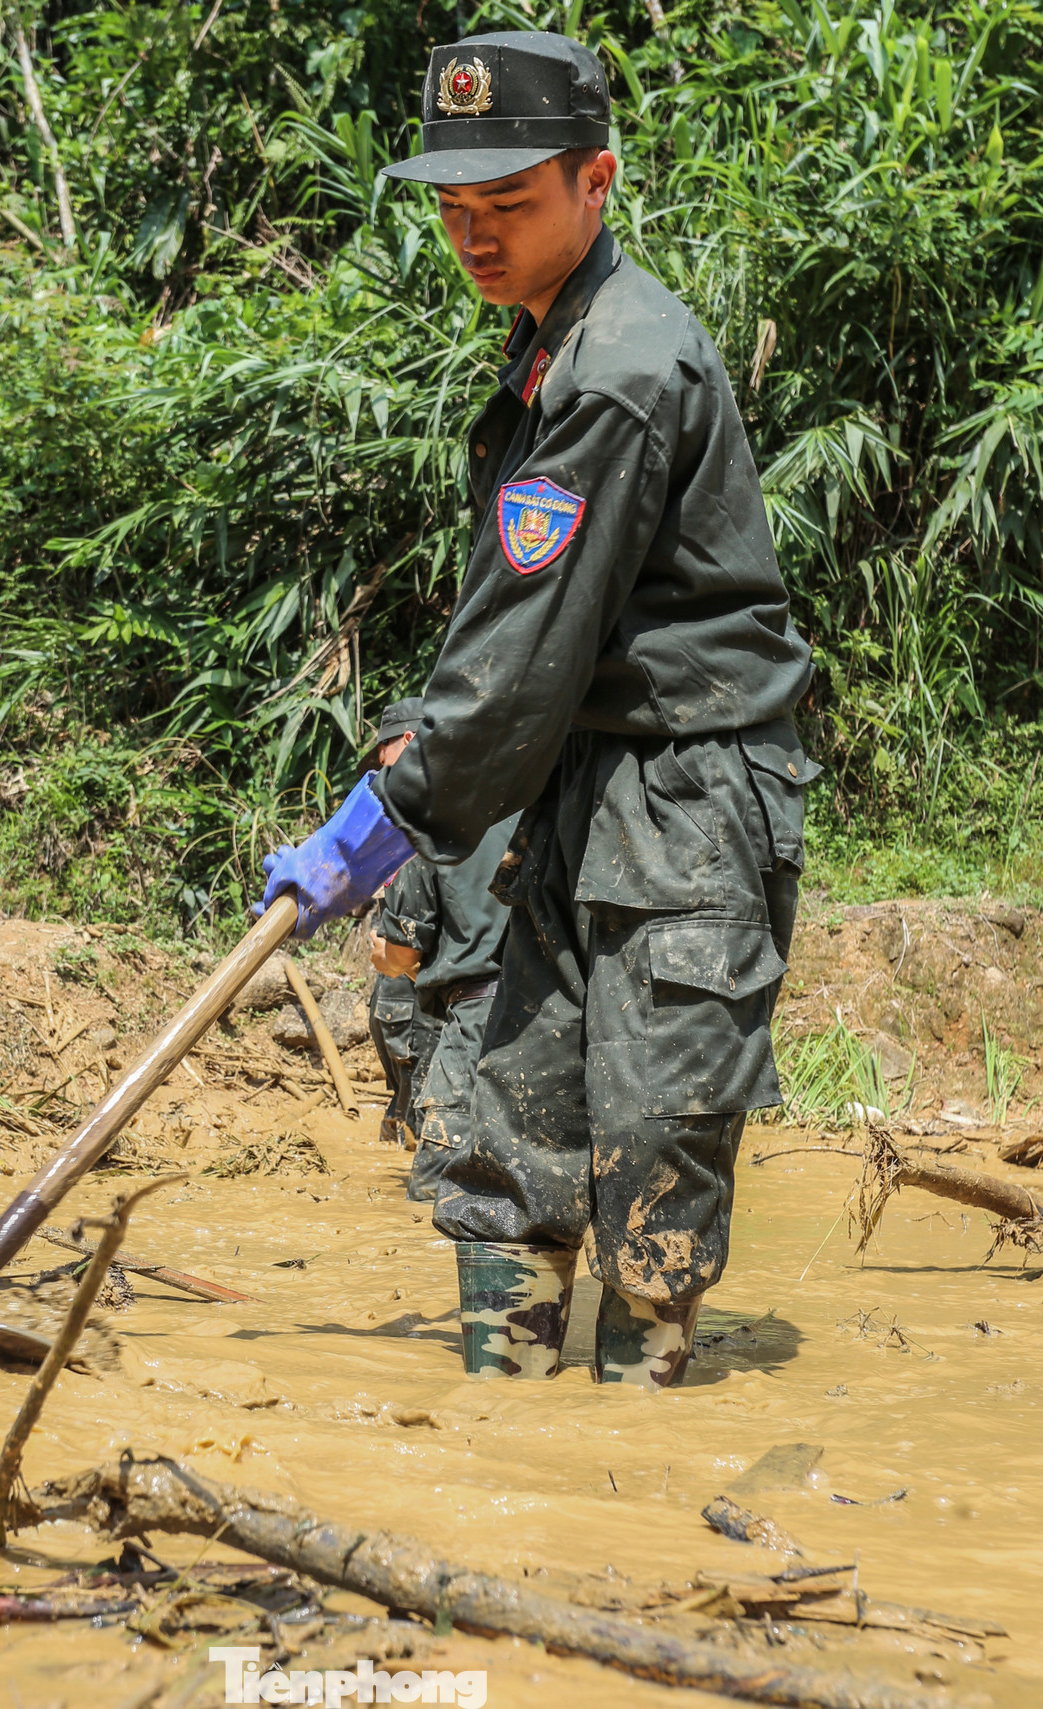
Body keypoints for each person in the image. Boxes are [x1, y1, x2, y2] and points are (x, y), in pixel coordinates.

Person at [259, 31, 815, 1389]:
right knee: (504, 1129)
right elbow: (515, 625)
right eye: (454, 211)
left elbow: (522, 647)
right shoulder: (549, 354)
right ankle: (503, 1445)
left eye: (506, 206)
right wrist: (425, 744)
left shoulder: (620, 370)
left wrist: (387, 812)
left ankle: (633, 1475)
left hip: (678, 801)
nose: (475, 237)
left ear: (596, 182)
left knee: (649, 1160)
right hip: (560, 780)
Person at [375, 808, 517, 1200]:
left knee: (438, 1184)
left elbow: (402, 953)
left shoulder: (433, 821)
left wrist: (385, 960)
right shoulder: (543, 799)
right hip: (556, 1015)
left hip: (475, 1017)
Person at [360, 700, 443, 1149]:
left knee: (420, 1064)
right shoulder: (396, 812)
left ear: (408, 741)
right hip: (399, 945)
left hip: (422, 956)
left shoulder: (437, 814)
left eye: (384, 750)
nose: (379, 763)